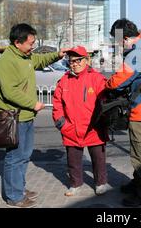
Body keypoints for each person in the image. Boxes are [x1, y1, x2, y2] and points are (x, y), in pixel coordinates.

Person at [0, 23, 70, 208]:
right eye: (30, 43)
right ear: (17, 43)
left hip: (26, 117)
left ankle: (18, 189)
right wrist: (33, 103)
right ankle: (14, 196)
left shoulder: (26, 56)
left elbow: (41, 60)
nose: (33, 46)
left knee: (24, 155)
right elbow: (9, 92)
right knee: (14, 158)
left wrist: (58, 54)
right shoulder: (7, 61)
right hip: (13, 118)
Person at [106, 19, 141, 207]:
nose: (118, 44)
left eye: (118, 40)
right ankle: (138, 183)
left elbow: (117, 81)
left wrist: (106, 84)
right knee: (140, 150)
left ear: (125, 38)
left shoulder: (138, 53)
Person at [52, 46, 110, 197]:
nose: (75, 64)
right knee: (73, 161)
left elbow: (105, 102)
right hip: (71, 128)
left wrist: (103, 122)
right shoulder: (64, 80)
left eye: (78, 60)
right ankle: (75, 184)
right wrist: (61, 123)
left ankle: (100, 183)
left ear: (86, 61)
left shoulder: (96, 78)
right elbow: (57, 103)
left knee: (98, 159)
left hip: (94, 129)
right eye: (72, 61)